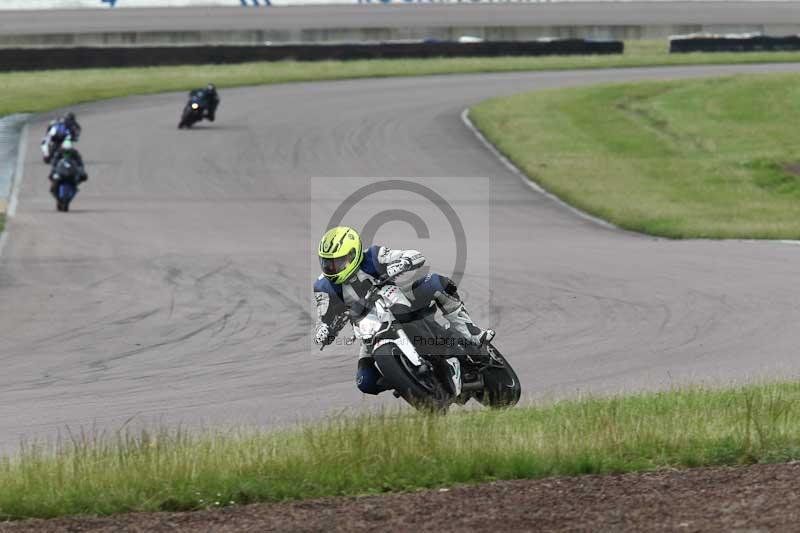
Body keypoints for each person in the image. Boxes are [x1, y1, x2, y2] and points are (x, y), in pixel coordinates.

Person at [313, 226, 494, 396]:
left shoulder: (373, 256)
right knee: (365, 382)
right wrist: (323, 331)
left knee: (437, 283)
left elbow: (415, 255)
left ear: (354, 254)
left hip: (397, 301)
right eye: (328, 263)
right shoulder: (323, 287)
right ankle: (406, 378)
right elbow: (324, 319)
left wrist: (402, 262)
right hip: (368, 327)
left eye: (339, 262)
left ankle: (470, 333)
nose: (333, 268)